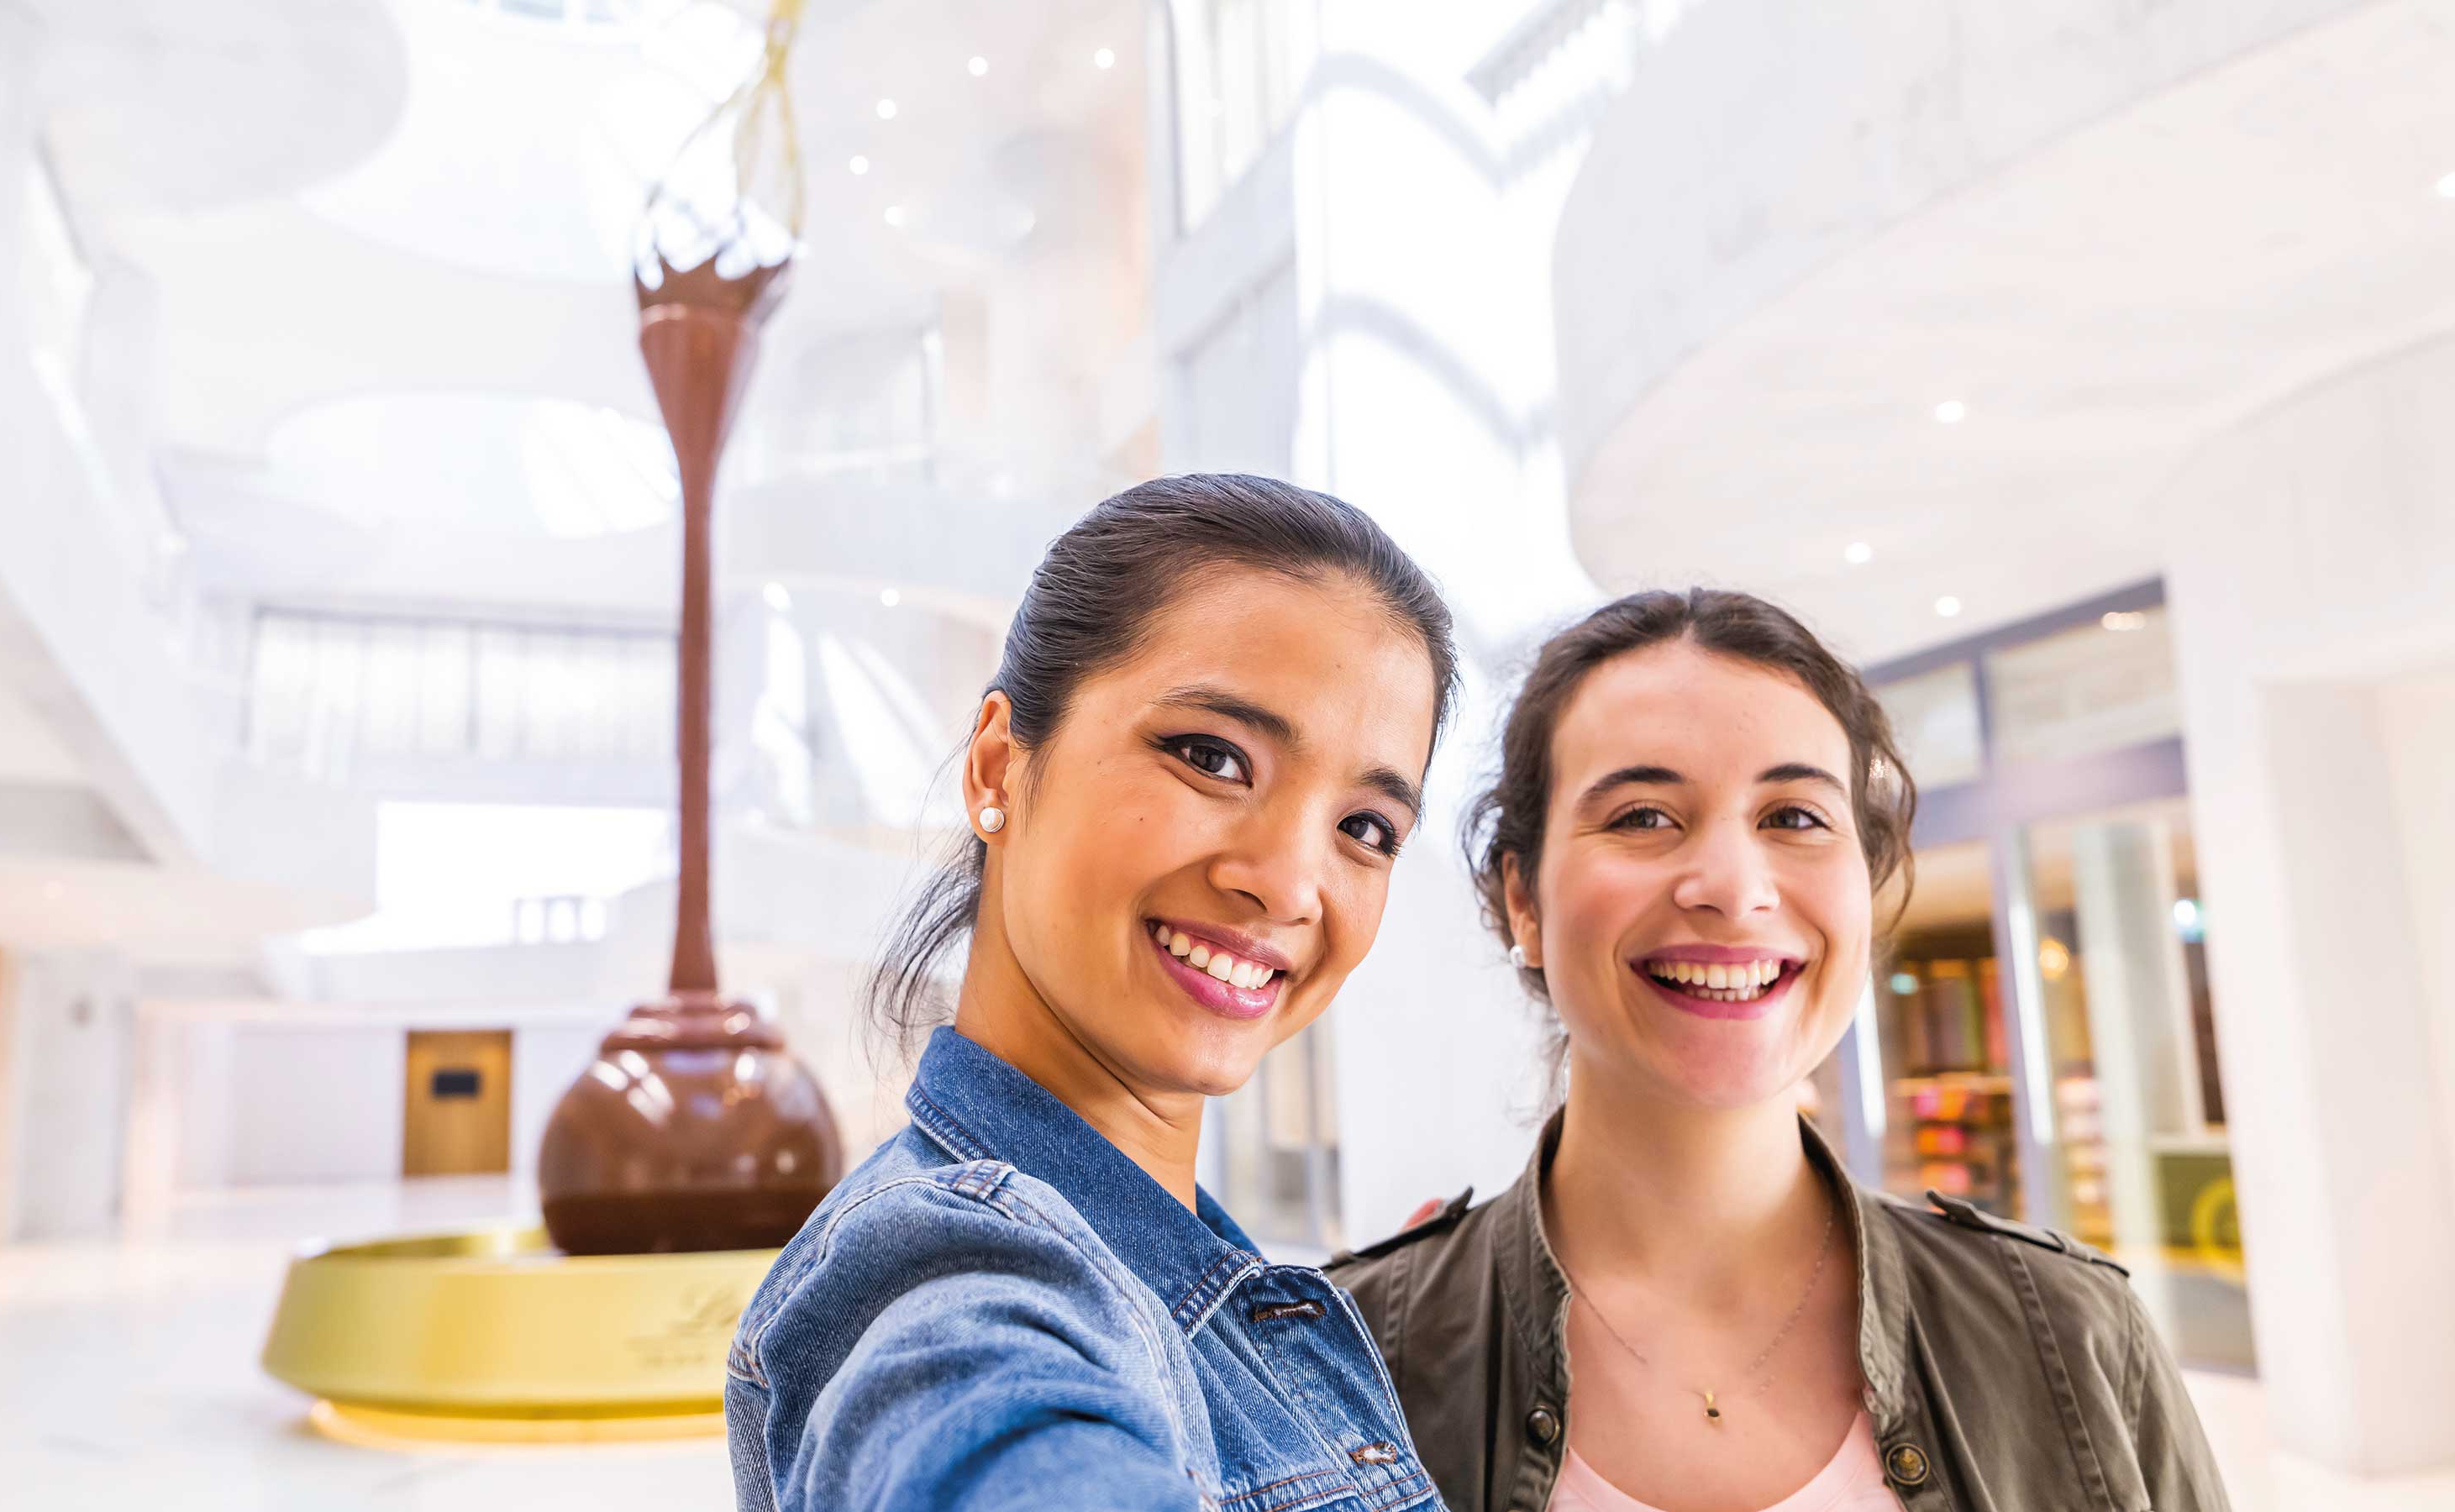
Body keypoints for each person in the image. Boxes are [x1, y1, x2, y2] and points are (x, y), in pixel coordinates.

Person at [1328, 589, 2230, 1512]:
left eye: (1794, 817)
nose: (1731, 886)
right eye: (1642, 815)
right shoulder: (1344, 1361)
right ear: (1520, 897)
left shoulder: (2072, 1337)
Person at [726, 475, 1461, 1512]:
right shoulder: (952, 1277)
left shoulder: (1210, 1280)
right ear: (994, 766)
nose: (1291, 885)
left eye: (1365, 828)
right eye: (1212, 758)